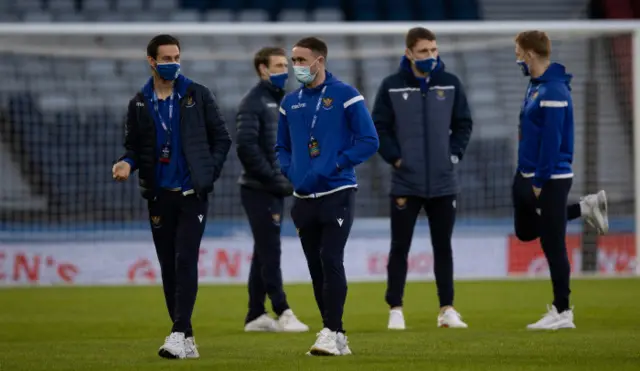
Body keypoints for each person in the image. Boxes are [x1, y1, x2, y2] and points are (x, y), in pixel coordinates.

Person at [112, 34, 232, 359]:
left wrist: (207, 174)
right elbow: (134, 148)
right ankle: (187, 338)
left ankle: (178, 332)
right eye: (166, 58)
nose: (172, 63)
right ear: (151, 61)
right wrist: (126, 163)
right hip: (158, 195)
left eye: (176, 57)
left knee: (184, 258)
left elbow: (222, 139)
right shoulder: (139, 102)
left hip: (193, 194)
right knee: (168, 266)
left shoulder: (197, 94)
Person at [275, 36, 379, 356]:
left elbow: (369, 140)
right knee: (316, 268)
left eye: (303, 61)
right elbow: (282, 147)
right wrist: (291, 172)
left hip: (338, 191)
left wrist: (335, 163)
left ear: (320, 61)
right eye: (294, 61)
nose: (297, 67)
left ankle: (330, 331)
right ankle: (336, 334)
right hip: (302, 197)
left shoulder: (346, 95)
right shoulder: (289, 102)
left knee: (331, 258)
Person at [372, 27, 472, 331]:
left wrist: (453, 155)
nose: (430, 56)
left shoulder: (451, 83)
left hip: (444, 182)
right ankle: (396, 309)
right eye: (424, 51)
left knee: (443, 247)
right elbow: (379, 127)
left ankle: (447, 309)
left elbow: (464, 124)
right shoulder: (391, 86)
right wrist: (397, 159)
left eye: (433, 50)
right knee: (399, 246)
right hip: (405, 182)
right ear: (409, 53)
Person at [513, 30, 608, 330]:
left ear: (529, 54)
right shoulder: (536, 86)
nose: (516, 57)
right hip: (526, 172)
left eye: (518, 52)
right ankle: (583, 208)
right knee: (526, 231)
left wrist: (539, 180)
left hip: (550, 176)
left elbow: (552, 142)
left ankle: (563, 311)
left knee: (553, 242)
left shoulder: (554, 90)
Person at [236, 46, 309, 333]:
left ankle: (255, 314)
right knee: (270, 250)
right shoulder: (252, 102)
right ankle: (283, 310)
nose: (285, 71)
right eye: (278, 66)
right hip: (258, 189)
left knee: (263, 250)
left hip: (275, 188)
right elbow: (246, 148)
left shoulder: (286, 101)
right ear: (262, 69)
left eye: (285, 65)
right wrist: (275, 180)